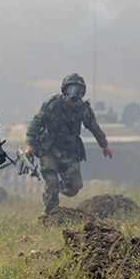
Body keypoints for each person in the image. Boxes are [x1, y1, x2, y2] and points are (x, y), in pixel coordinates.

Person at [24, 73, 113, 214]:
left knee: (73, 188)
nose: (75, 93)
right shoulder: (52, 104)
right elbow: (36, 123)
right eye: (72, 88)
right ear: (65, 89)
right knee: (52, 181)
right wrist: (29, 145)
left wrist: (104, 145)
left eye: (78, 89)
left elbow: (93, 126)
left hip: (69, 151)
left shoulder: (83, 109)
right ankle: (50, 215)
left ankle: (53, 189)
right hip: (49, 149)